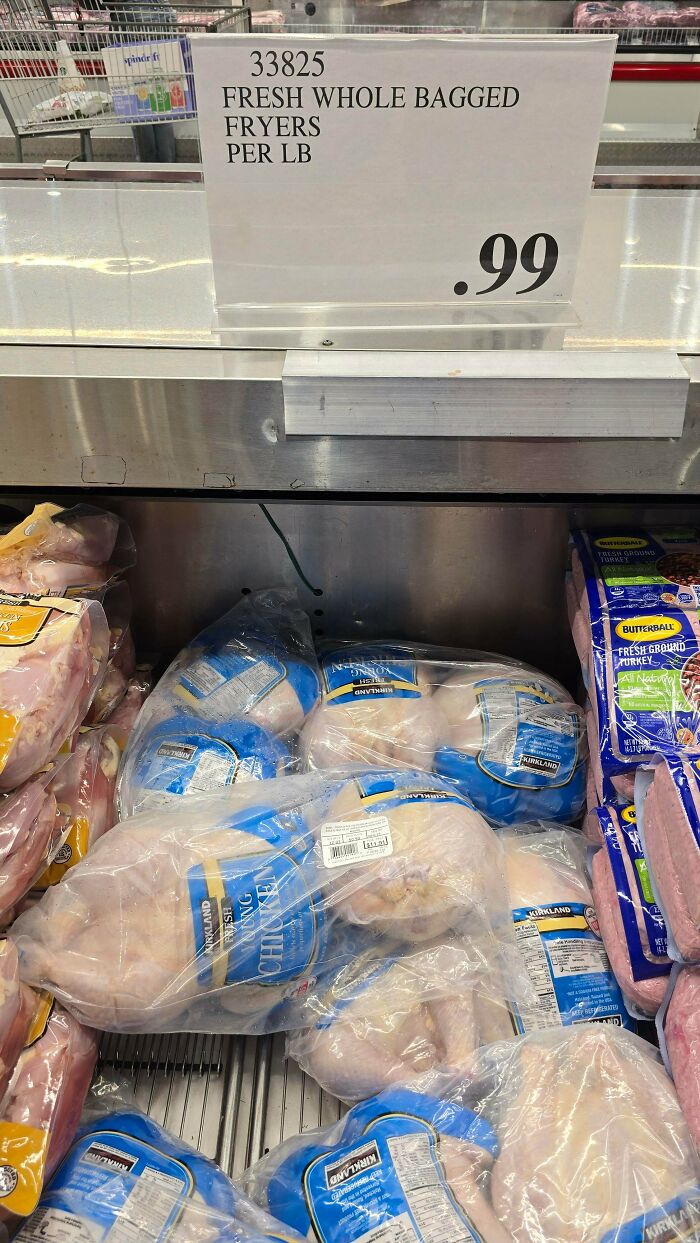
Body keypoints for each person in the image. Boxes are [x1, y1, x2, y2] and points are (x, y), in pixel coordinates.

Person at [104, 0, 177, 161]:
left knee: (140, 111)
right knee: (162, 108)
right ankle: (169, 170)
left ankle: (149, 171)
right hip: (160, 27)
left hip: (132, 32)